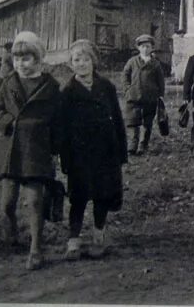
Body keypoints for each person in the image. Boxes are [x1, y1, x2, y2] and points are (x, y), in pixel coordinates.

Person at [0, 31, 61, 270]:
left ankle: (36, 247)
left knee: (34, 201)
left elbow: (59, 120)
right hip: (11, 150)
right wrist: (8, 122)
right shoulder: (8, 81)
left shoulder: (50, 87)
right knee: (7, 203)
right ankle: (9, 229)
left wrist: (53, 148)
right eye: (17, 59)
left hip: (36, 150)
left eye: (26, 58)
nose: (21, 63)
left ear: (38, 59)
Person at [60, 40, 127, 260]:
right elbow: (62, 127)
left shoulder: (106, 87)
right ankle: (74, 239)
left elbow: (117, 119)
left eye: (86, 59)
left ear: (93, 61)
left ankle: (99, 235)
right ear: (70, 64)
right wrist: (65, 157)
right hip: (79, 154)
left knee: (102, 195)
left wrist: (121, 152)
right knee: (78, 198)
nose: (81, 64)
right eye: (76, 60)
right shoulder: (67, 91)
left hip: (105, 152)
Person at [121, 34, 165, 154]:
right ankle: (132, 144)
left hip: (150, 98)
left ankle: (143, 144)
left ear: (152, 48)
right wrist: (127, 89)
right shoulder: (132, 61)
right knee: (132, 121)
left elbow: (161, 80)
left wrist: (160, 94)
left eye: (148, 46)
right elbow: (125, 75)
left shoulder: (155, 64)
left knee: (147, 122)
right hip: (133, 97)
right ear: (139, 48)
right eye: (143, 46)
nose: (145, 49)